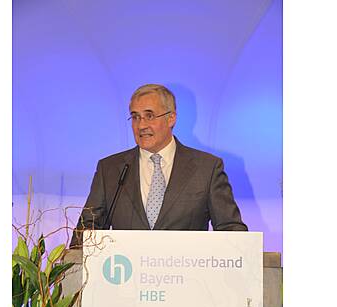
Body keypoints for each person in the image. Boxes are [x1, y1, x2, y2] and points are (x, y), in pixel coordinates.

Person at [70, 84, 247, 247]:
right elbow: (87, 231)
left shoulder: (207, 168)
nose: (141, 125)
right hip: (125, 269)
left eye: (149, 116)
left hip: (186, 270)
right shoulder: (109, 169)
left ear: (171, 118)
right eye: (135, 117)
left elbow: (231, 230)